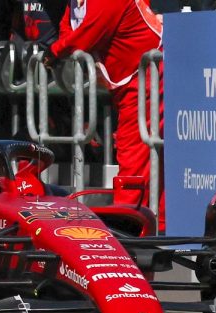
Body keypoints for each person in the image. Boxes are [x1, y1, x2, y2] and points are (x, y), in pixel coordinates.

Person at [47, 0, 165, 231]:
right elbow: (67, 27)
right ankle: (154, 226)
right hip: (128, 79)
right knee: (141, 152)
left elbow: (87, 34)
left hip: (148, 72)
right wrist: (61, 47)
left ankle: (127, 232)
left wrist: (54, 52)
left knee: (134, 153)